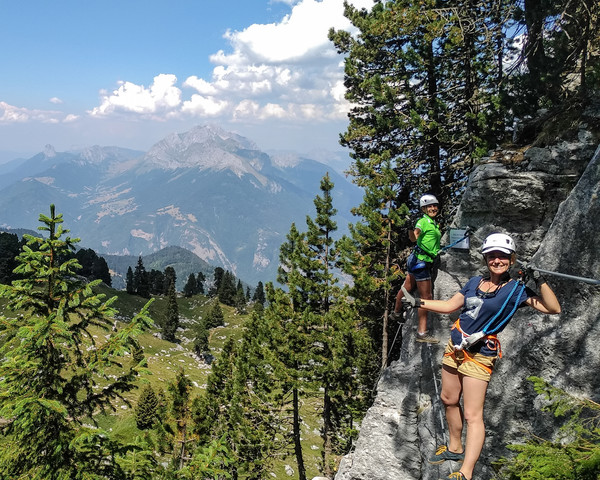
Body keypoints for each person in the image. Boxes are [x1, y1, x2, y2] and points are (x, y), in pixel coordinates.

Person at [401, 233, 561, 480]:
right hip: (455, 347)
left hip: (480, 354)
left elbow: (553, 308)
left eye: (503, 256)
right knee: (448, 398)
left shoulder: (516, 290)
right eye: (492, 256)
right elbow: (449, 306)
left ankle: (466, 472)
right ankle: (455, 447)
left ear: (511, 259)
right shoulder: (474, 281)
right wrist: (418, 302)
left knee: (473, 414)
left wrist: (539, 281)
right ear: (486, 258)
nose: (497, 260)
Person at [392, 194, 442, 343]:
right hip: (421, 262)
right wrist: (410, 229)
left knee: (407, 286)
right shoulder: (422, 222)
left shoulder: (432, 222)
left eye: (434, 206)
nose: (433, 208)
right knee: (426, 298)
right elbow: (414, 237)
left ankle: (396, 312)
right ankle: (422, 333)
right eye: (429, 206)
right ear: (423, 209)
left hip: (416, 260)